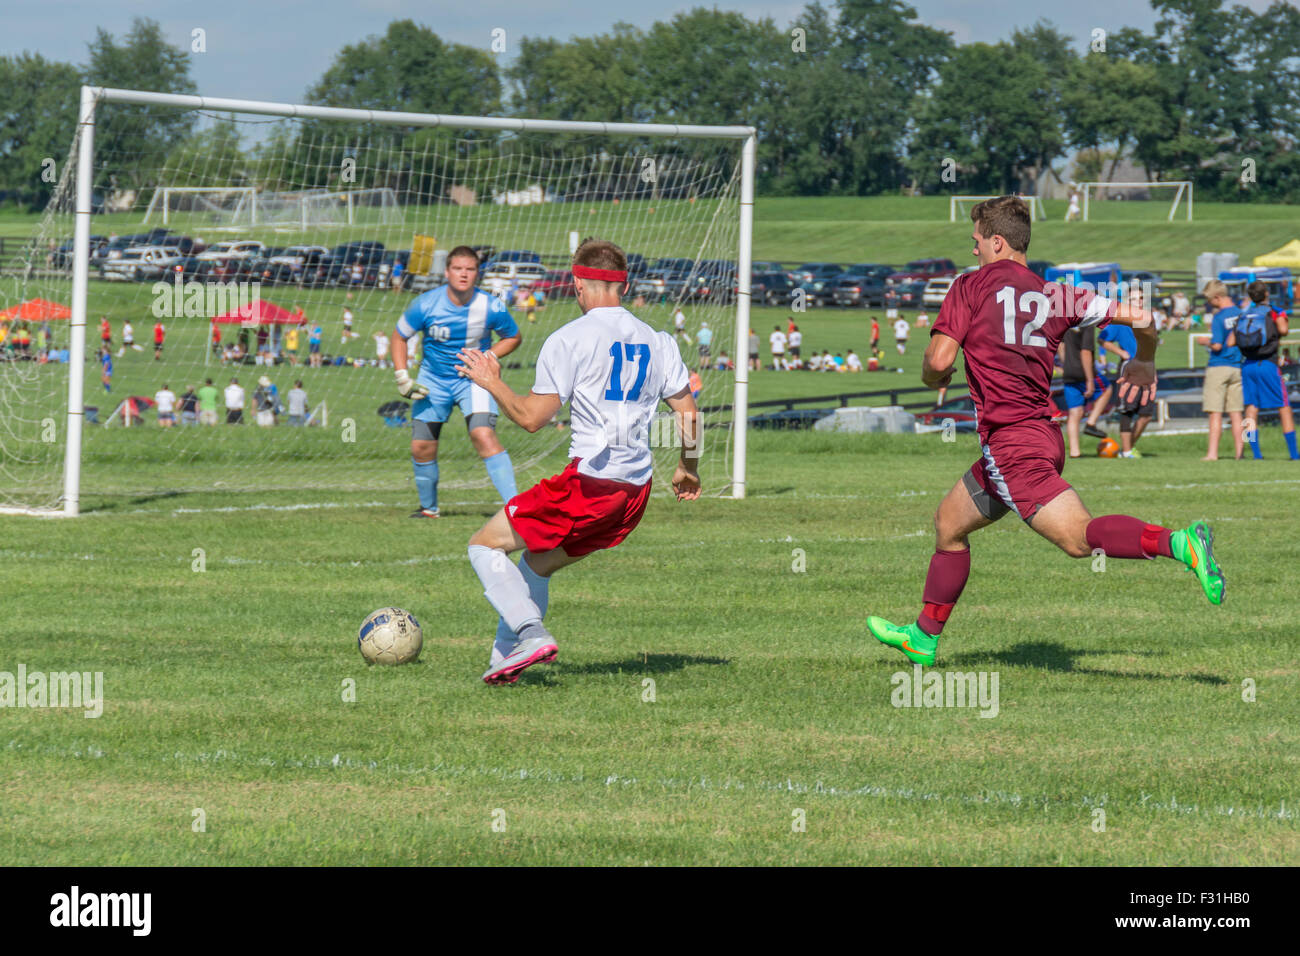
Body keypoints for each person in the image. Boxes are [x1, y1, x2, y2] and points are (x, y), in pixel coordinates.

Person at [866, 195, 1225, 668]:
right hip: (1041, 437)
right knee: (949, 525)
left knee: (1077, 541)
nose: (972, 250)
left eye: (975, 241)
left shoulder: (968, 287)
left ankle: (1180, 543)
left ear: (996, 241)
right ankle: (923, 636)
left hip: (1012, 444)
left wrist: (934, 378)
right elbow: (1141, 315)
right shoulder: (1058, 293)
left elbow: (937, 362)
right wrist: (1143, 361)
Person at [454, 238, 700, 685]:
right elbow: (688, 412)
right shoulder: (658, 340)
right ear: (622, 286)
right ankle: (505, 662)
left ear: (579, 283)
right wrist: (689, 467)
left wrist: (491, 382)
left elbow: (531, 418)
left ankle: (531, 634)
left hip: (590, 485)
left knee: (483, 545)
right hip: (634, 495)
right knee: (535, 565)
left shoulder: (569, 339)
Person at [392, 245, 523, 518]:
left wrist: (485, 358)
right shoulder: (426, 303)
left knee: (482, 434)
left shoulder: (492, 305)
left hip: (474, 381)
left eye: (470, 269)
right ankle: (429, 509)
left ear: (478, 273)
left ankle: (517, 509)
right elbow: (398, 336)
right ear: (447, 271)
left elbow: (513, 337)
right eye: (458, 268)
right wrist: (402, 376)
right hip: (433, 382)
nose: (464, 274)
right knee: (422, 446)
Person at [1230, 279, 1298, 460]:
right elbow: (1283, 330)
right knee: (1284, 407)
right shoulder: (1273, 312)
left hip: (1248, 365)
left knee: (1251, 409)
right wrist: (1282, 318)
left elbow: (1230, 341)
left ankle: (1256, 454)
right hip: (1268, 364)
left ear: (1250, 296)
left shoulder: (1244, 314)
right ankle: (1294, 453)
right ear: (1266, 293)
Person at [1198, 281, 1245, 461]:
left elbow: (1217, 345)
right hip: (1237, 366)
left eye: (1210, 300)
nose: (1209, 304)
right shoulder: (1242, 314)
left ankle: (1212, 453)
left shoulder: (1219, 317)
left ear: (1217, 297)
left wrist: (1205, 342)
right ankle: (1240, 453)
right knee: (1236, 413)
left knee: (1215, 412)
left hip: (1219, 366)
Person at [1058, 318, 1095, 459]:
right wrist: (1090, 380)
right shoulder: (1088, 323)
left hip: (1069, 372)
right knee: (1107, 390)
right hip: (1083, 372)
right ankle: (1091, 423)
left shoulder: (1065, 322)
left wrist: (1066, 364)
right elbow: (1086, 352)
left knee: (1075, 412)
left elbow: (1061, 347)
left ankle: (1075, 452)